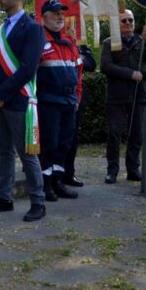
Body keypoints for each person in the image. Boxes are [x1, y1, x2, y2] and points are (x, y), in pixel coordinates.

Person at [0, 0, 46, 221]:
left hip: (18, 100)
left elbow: (28, 68)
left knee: (27, 153)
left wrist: (1, 93)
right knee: (4, 152)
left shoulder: (33, 28)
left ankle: (38, 201)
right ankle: (4, 197)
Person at [100, 9, 146, 183]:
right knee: (114, 133)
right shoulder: (110, 42)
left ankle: (133, 169)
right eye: (124, 21)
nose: (128, 23)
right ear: (117, 24)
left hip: (138, 94)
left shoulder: (142, 41)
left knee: (137, 134)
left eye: (131, 20)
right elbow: (105, 66)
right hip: (116, 96)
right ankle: (112, 170)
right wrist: (130, 74)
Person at [36, 0, 82, 201]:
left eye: (62, 13)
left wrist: (77, 96)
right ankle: (45, 185)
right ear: (44, 17)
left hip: (69, 101)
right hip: (48, 101)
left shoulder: (68, 42)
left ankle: (57, 181)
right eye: (56, 13)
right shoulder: (38, 41)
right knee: (49, 144)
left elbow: (78, 71)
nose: (61, 17)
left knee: (64, 145)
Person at [62, 33, 96, 186]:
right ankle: (54, 176)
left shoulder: (79, 41)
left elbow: (91, 63)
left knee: (72, 137)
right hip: (55, 95)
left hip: (76, 95)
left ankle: (69, 173)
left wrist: (78, 58)